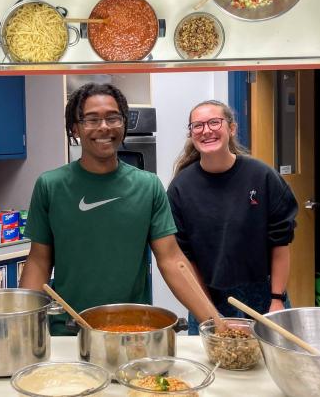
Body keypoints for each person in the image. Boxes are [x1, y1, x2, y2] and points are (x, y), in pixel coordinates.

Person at [19, 83, 215, 335]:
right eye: (91, 119)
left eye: (113, 118)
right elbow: (38, 262)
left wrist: (213, 322)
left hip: (132, 330)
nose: (104, 127)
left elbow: (172, 260)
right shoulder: (51, 185)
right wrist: (22, 328)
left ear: (124, 124)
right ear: (74, 128)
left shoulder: (148, 186)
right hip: (67, 330)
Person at [167, 100, 298, 335]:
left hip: (264, 298)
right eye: (197, 126)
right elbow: (187, 260)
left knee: (268, 366)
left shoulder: (262, 177)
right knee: (214, 367)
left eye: (214, 122)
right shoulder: (181, 188)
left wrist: (276, 300)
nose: (206, 130)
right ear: (191, 133)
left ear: (232, 128)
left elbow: (280, 243)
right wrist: (209, 313)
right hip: (209, 297)